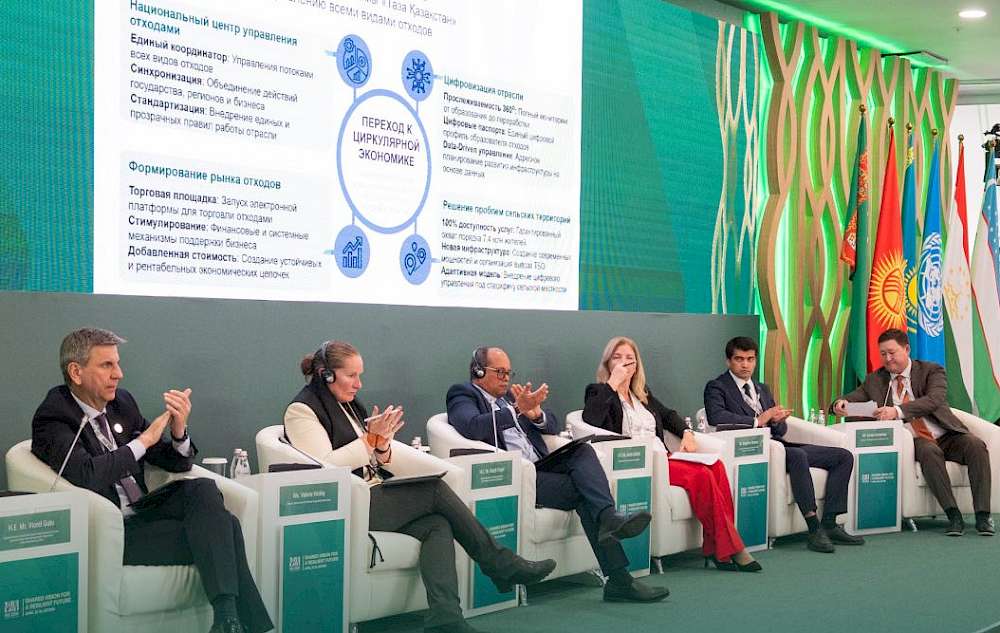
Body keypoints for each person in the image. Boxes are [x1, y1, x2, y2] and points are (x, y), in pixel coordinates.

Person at [284, 341, 556, 633]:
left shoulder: (348, 404)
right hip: (346, 504)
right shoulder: (302, 410)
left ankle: (445, 618)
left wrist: (382, 445)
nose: (359, 384)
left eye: (359, 375)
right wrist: (370, 440)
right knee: (434, 490)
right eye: (351, 376)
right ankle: (500, 564)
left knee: (437, 525)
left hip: (372, 492)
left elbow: (373, 457)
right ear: (326, 375)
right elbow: (325, 468)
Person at [31, 328, 271, 633]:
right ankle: (235, 621)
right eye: (107, 365)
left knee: (202, 489)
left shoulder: (122, 403)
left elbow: (177, 462)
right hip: (111, 530)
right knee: (227, 527)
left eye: (117, 364)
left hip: (142, 511)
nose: (118, 374)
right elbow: (87, 474)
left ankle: (227, 621)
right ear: (76, 372)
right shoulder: (54, 416)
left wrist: (179, 431)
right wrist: (143, 441)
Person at [446, 347, 669, 603]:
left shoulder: (511, 397)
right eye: (500, 372)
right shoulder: (463, 394)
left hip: (541, 466)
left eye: (509, 372)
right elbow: (472, 427)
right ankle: (619, 577)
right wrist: (516, 410)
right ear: (478, 371)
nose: (506, 378)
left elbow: (551, 424)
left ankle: (609, 519)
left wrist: (536, 414)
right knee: (587, 495)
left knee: (583, 451)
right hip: (515, 477)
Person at [584, 336, 761, 572]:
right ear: (608, 364)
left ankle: (716, 548)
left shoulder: (641, 393)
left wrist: (687, 433)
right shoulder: (598, 391)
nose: (624, 363)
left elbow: (669, 415)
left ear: (636, 366)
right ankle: (732, 548)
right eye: (617, 358)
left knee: (716, 466)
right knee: (701, 476)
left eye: (629, 358)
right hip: (638, 463)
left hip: (663, 456)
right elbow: (591, 420)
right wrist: (613, 384)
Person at [704, 336, 864, 553]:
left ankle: (830, 522)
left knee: (843, 456)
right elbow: (716, 417)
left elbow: (779, 431)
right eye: (739, 359)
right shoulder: (717, 387)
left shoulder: (761, 388)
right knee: (798, 456)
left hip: (777, 446)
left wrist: (777, 421)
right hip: (749, 450)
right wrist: (758, 421)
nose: (745, 365)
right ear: (728, 361)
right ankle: (813, 528)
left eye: (750, 359)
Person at [832, 328, 993, 536]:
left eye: (892, 353)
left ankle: (983, 516)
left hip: (946, 434)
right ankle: (953, 515)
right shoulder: (875, 380)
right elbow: (850, 399)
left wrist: (897, 411)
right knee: (929, 451)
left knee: (976, 445)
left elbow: (934, 400)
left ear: (906, 349)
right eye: (883, 354)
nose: (888, 359)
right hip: (915, 440)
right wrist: (839, 404)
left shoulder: (931, 370)